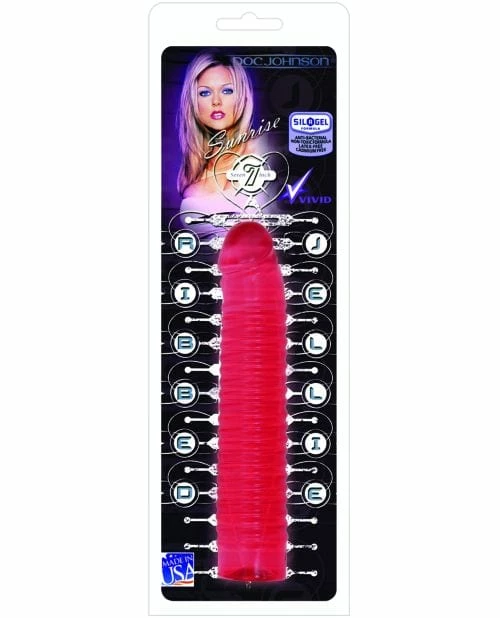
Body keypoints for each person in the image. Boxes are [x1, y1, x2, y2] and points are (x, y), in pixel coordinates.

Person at [177, 52, 256, 222]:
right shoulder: (192, 170)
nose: (216, 101)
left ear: (242, 96)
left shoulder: (264, 150)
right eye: (205, 93)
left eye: (227, 91)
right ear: (193, 101)